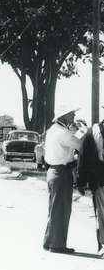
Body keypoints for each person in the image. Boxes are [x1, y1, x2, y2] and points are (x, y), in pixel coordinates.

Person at [42, 105, 83, 254]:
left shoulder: (53, 130)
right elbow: (81, 145)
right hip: (62, 172)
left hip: (52, 170)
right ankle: (57, 244)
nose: (73, 116)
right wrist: (81, 131)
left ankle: (49, 241)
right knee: (62, 209)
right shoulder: (64, 133)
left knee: (54, 208)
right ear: (64, 116)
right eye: (71, 114)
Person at [76, 117, 104, 257]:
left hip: (99, 181)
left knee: (101, 214)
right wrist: (81, 181)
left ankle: (103, 245)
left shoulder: (92, 133)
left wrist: (81, 182)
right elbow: (83, 158)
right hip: (99, 182)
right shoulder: (92, 133)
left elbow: (83, 158)